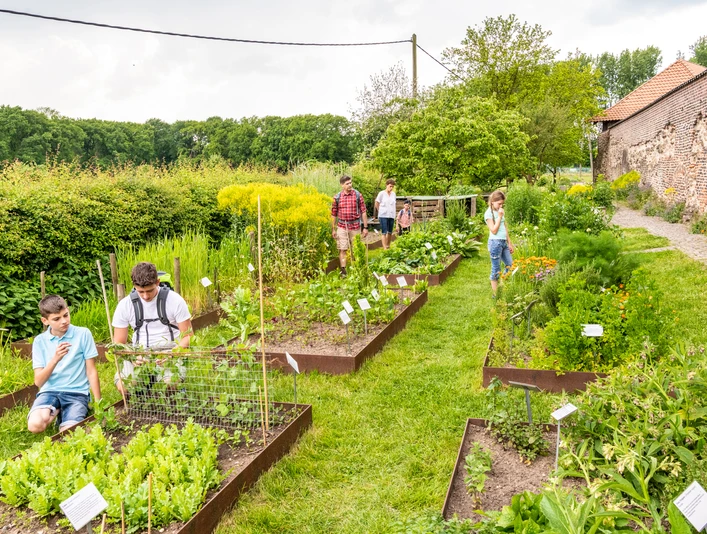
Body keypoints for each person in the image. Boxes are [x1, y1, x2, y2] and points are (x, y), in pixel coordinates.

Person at [112, 262, 193, 394]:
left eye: (149, 290)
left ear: (158, 282)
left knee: (170, 384)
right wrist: (132, 357)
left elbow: (188, 336)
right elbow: (118, 343)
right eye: (140, 292)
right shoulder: (125, 305)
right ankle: (141, 391)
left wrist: (173, 353)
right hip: (139, 353)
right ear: (134, 286)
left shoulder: (174, 300)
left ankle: (174, 388)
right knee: (124, 386)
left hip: (169, 350)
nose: (145, 296)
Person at [28, 295, 102, 433]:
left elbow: (91, 371)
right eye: (57, 319)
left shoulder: (83, 334)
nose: (64, 321)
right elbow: (38, 382)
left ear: (68, 310)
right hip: (49, 392)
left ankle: (65, 414)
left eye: (66, 315)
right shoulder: (39, 341)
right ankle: (57, 410)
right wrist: (55, 359)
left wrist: (99, 403)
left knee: (68, 433)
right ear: (45, 321)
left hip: (77, 392)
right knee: (35, 426)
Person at [331, 175, 369, 276]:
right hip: (342, 226)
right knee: (343, 249)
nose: (350, 185)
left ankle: (356, 269)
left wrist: (365, 227)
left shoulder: (357, 195)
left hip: (355, 226)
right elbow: (334, 214)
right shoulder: (337, 197)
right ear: (342, 185)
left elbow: (363, 212)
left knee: (355, 249)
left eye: (350, 183)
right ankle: (343, 271)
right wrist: (333, 229)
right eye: (347, 184)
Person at [485, 190, 515, 296]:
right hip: (495, 243)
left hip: (503, 243)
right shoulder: (489, 213)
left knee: (510, 265)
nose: (501, 206)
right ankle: (495, 294)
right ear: (493, 201)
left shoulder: (500, 211)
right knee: (496, 269)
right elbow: (494, 230)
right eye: (499, 203)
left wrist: (509, 243)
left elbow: (504, 227)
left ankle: (501, 286)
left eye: (502, 204)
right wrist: (499, 217)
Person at [375, 179, 397, 250]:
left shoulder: (393, 194)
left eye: (392, 187)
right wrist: (380, 210)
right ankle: (384, 248)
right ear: (386, 185)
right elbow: (377, 203)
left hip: (391, 215)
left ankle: (388, 245)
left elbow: (394, 204)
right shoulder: (381, 193)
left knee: (390, 232)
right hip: (383, 215)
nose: (391, 188)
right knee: (384, 232)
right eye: (390, 186)